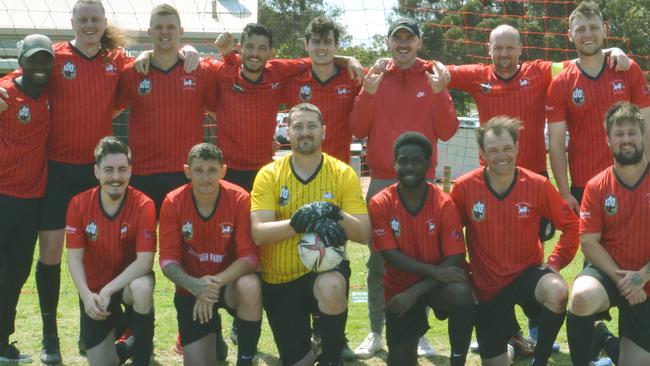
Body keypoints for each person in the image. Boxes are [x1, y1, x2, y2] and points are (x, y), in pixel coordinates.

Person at [349, 17, 458, 359]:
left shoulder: (434, 76)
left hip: (423, 181)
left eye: (409, 38)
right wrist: (366, 93)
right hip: (383, 178)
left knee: (423, 258)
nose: (403, 44)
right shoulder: (376, 77)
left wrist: (440, 94)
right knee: (380, 261)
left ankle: (419, 332)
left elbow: (448, 129)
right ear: (388, 42)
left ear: (419, 42)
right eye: (398, 38)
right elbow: (357, 127)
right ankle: (376, 331)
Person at [450, 116, 580, 366]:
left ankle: (539, 360)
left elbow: (572, 226)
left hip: (526, 276)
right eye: (493, 150)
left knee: (558, 291)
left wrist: (555, 263)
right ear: (481, 153)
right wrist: (467, 276)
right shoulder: (464, 187)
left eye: (507, 148)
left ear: (517, 148)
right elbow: (451, 238)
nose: (502, 156)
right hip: (487, 285)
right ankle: (513, 346)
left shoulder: (537, 185)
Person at [250, 103, 370, 366]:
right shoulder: (269, 175)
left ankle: (331, 357)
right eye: (298, 127)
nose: (305, 132)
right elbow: (259, 233)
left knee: (332, 285)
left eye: (312, 126)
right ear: (288, 133)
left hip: (324, 273)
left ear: (324, 131)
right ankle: (311, 349)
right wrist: (297, 224)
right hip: (279, 278)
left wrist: (334, 212)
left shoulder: (342, 173)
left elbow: (363, 233)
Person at [211, 24, 363, 192]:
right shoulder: (220, 71)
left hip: (273, 170)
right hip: (229, 170)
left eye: (262, 48)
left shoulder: (278, 72)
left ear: (271, 53)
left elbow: (319, 58)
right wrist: (196, 50)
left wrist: (349, 59)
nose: (255, 53)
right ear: (239, 48)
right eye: (249, 47)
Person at [369, 132, 474, 366]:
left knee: (460, 291)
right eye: (403, 160)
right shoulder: (380, 203)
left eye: (416, 161)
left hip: (437, 287)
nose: (409, 166)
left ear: (427, 164)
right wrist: (434, 273)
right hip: (400, 288)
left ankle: (458, 361)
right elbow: (390, 255)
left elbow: (455, 257)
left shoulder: (444, 203)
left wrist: (415, 292)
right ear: (394, 163)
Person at [158, 143, 261, 365]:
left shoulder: (239, 198)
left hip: (229, 284)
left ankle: (245, 358)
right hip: (191, 289)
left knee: (250, 285)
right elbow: (167, 261)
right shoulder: (173, 202)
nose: (206, 178)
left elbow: (250, 258)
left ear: (223, 171)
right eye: (199, 170)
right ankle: (214, 339)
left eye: (212, 170)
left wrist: (212, 284)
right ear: (187, 171)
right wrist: (195, 285)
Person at [547, 1, 650, 214]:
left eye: (593, 27)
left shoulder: (628, 69)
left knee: (637, 244)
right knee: (591, 243)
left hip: (631, 176)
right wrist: (565, 192)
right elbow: (556, 143)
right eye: (580, 29)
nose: (588, 34)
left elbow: (646, 127)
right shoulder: (560, 83)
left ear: (604, 30)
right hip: (584, 182)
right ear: (569, 35)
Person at [567, 102, 650, 366]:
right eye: (619, 134)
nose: (626, 139)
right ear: (608, 140)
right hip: (610, 274)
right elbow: (588, 243)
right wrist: (626, 282)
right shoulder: (596, 186)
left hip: (646, 278)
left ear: (643, 134)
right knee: (581, 298)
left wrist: (642, 277)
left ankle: (604, 339)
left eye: (632, 132)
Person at [115, 3, 217, 216]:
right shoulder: (132, 72)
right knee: (141, 246)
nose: (165, 32)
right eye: (159, 27)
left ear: (181, 31)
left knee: (185, 244)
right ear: (150, 32)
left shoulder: (201, 71)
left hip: (187, 172)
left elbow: (221, 114)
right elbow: (110, 112)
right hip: (143, 173)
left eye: (170, 27)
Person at [66, 136, 156, 366]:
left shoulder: (144, 204)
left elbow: (145, 262)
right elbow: (74, 258)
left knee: (142, 287)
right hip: (96, 293)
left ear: (130, 171)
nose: (116, 177)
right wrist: (87, 296)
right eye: (108, 170)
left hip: (125, 286)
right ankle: (131, 342)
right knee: (101, 363)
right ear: (96, 171)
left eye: (122, 170)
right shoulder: (78, 203)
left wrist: (109, 289)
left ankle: (142, 358)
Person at [0, 33, 53, 363]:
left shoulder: (52, 94)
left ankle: (3, 342)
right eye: (32, 59)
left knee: (15, 274)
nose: (39, 65)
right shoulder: (6, 93)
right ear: (20, 61)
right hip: (1, 196)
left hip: (31, 199)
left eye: (45, 59)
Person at [283, 16, 362, 164]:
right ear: (306, 45)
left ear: (337, 45)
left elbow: (384, 73)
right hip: (300, 171)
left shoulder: (353, 77)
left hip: (338, 172)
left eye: (328, 42)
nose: (322, 47)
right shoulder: (291, 81)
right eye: (316, 42)